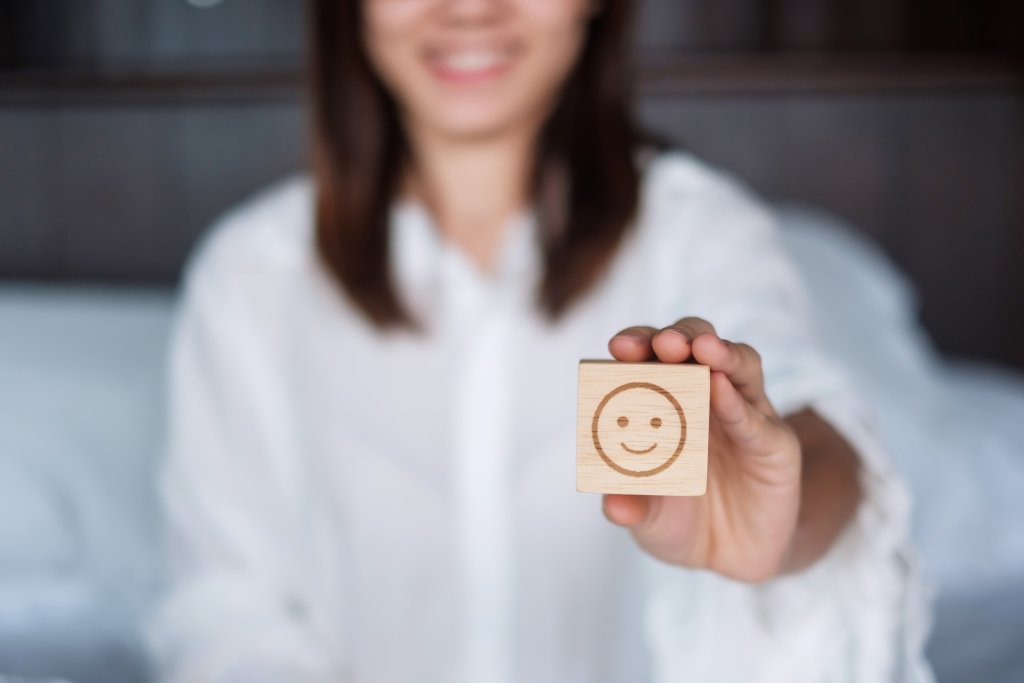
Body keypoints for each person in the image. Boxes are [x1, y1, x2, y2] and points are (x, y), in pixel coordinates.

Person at [147, 0, 932, 681]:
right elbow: (227, 609)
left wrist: (779, 520)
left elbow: (810, 424)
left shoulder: (702, 231)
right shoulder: (250, 274)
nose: (468, 10)